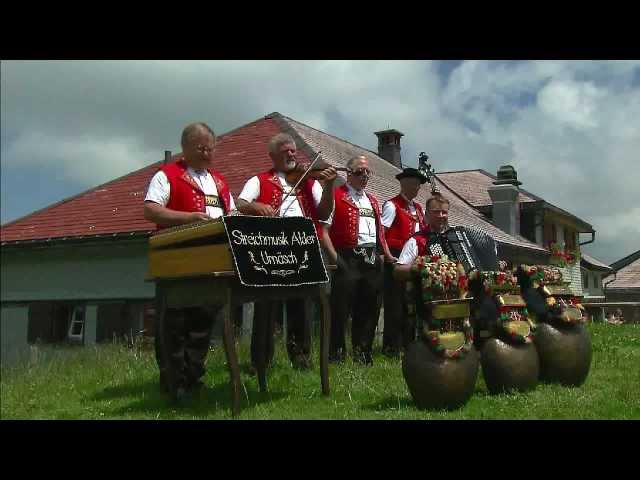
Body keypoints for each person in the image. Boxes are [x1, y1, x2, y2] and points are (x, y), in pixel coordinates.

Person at [144, 122, 236, 401]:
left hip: (211, 259)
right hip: (177, 259)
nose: (207, 153)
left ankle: (194, 378)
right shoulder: (167, 175)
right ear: (185, 147)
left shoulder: (219, 180)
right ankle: (173, 383)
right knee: (174, 323)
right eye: (201, 148)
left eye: (211, 148)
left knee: (202, 321)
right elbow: (151, 210)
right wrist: (189, 219)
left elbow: (230, 213)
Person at [236, 133, 337, 371]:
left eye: (293, 151)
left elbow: (323, 214)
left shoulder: (308, 181)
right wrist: (256, 206)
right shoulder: (258, 180)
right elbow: (239, 204)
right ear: (272, 156)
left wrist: (330, 186)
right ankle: (261, 359)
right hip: (271, 247)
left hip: (302, 245)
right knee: (266, 303)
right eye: (285, 151)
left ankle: (301, 356)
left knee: (301, 302)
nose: (292, 155)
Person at [322, 155, 393, 366]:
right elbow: (323, 231)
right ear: (348, 174)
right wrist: (336, 259)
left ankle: (363, 353)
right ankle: (336, 355)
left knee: (370, 307)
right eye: (360, 172)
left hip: (371, 257)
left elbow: (380, 232)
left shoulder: (372, 200)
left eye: (367, 172)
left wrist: (381, 256)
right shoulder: (336, 196)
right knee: (341, 309)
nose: (365, 176)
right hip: (347, 256)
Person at [380, 167, 427, 357]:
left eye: (418, 184)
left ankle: (409, 345)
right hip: (396, 256)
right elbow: (381, 234)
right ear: (404, 183)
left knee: (411, 304)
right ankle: (392, 347)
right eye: (414, 183)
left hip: (415, 258)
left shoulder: (419, 209)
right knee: (395, 304)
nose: (417, 188)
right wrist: (387, 255)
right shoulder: (392, 205)